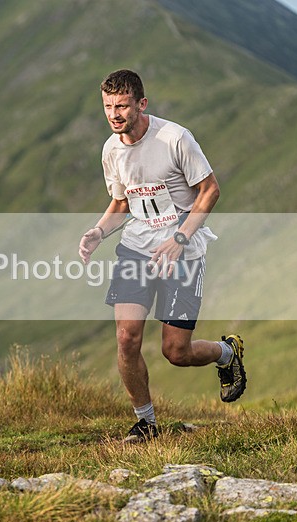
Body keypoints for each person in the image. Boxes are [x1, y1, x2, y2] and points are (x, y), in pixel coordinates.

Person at [78, 69, 247, 443]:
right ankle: (146, 422)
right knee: (126, 338)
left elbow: (210, 191)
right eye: (108, 106)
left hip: (182, 251)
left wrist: (180, 239)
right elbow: (122, 202)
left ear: (142, 104)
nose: (115, 114)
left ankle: (226, 353)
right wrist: (98, 232)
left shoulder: (174, 138)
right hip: (136, 247)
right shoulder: (111, 149)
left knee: (175, 350)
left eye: (122, 105)